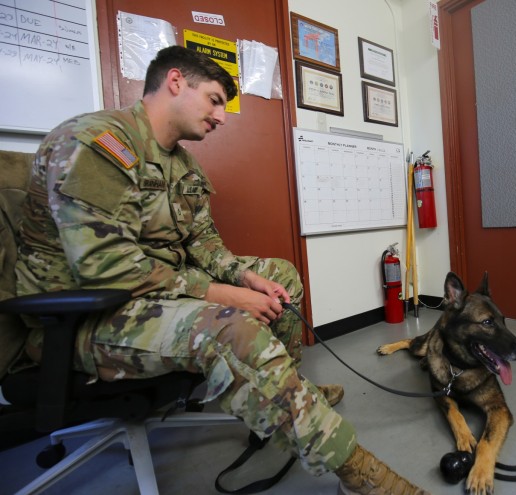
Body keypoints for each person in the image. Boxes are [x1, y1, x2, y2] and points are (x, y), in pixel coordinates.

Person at [14, 45, 430, 495]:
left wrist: (245, 278)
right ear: (175, 82)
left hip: (152, 293)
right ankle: (362, 475)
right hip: (84, 315)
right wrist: (224, 296)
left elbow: (203, 244)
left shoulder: (182, 164)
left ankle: (288, 395)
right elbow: (105, 268)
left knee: (281, 276)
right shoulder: (94, 143)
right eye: (214, 99)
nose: (222, 116)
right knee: (229, 327)